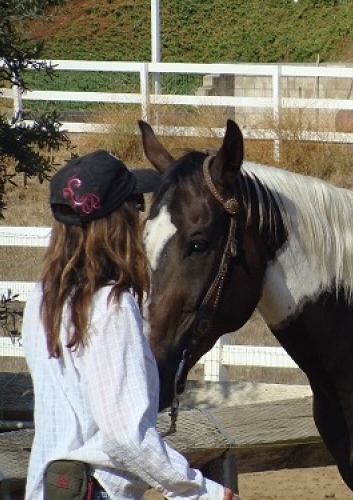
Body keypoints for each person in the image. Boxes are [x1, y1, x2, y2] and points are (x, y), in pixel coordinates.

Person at [22, 150, 238, 500]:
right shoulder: (112, 306)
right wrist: (200, 492)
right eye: (135, 205)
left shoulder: (43, 299)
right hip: (98, 490)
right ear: (116, 220)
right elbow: (124, 433)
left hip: (50, 487)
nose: (139, 216)